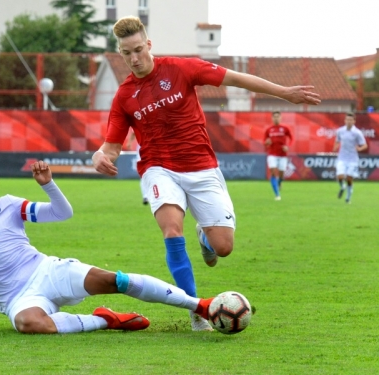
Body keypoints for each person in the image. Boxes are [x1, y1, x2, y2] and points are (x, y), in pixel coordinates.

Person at [92, 16, 320, 331]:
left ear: (148, 45)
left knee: (223, 247)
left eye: (137, 50)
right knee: (172, 231)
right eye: (126, 53)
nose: (133, 58)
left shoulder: (181, 69)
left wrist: (285, 93)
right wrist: (99, 155)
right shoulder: (124, 96)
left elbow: (236, 79)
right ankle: (196, 310)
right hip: (158, 168)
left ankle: (206, 238)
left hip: (201, 167)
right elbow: (112, 146)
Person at [0, 157, 217, 334]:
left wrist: (49, 186)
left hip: (48, 271)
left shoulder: (8, 205)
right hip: (19, 298)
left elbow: (62, 213)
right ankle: (105, 320)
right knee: (29, 324)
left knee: (116, 280)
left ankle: (198, 305)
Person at [333, 112, 367, 203]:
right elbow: (337, 141)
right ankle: (342, 187)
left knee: (349, 178)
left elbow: (364, 145)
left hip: (352, 159)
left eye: (351, 120)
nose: (349, 121)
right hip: (342, 157)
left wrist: (359, 149)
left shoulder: (357, 133)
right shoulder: (340, 131)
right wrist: (335, 147)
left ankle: (348, 197)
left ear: (354, 121)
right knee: (340, 176)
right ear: (345, 120)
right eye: (347, 120)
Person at [263, 111, 293, 201]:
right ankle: (277, 194)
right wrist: (266, 143)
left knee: (281, 174)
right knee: (272, 172)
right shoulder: (269, 129)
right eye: (274, 117)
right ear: (272, 118)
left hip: (283, 155)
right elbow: (264, 142)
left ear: (281, 118)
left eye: (278, 117)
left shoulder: (285, 128)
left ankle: (280, 182)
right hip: (272, 154)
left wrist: (288, 146)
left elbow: (291, 138)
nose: (276, 118)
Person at [126, 131, 148, 205]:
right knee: (144, 175)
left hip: (154, 151)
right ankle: (146, 196)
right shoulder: (141, 121)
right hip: (143, 151)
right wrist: (129, 143)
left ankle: (149, 195)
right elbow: (134, 132)